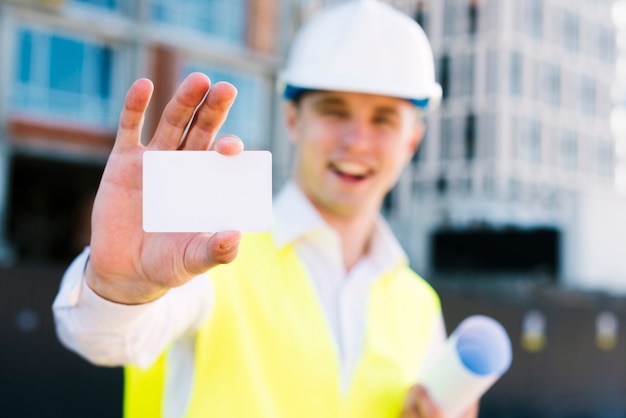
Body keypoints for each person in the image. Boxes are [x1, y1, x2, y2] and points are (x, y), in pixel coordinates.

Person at [53, 1, 480, 417]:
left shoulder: (420, 307)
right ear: (293, 118)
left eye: (383, 119)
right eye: (334, 110)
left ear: (412, 140)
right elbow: (103, 339)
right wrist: (122, 290)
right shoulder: (207, 247)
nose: (357, 141)